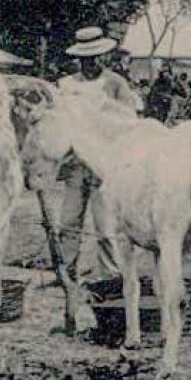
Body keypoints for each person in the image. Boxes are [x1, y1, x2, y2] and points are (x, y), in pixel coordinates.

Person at [54, 25, 142, 280]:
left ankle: (111, 276)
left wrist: (105, 110)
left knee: (106, 227)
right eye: (84, 60)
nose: (89, 64)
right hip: (75, 163)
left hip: (105, 166)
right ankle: (66, 272)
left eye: (93, 59)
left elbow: (129, 121)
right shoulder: (67, 85)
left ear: (103, 57)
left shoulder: (115, 84)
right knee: (69, 221)